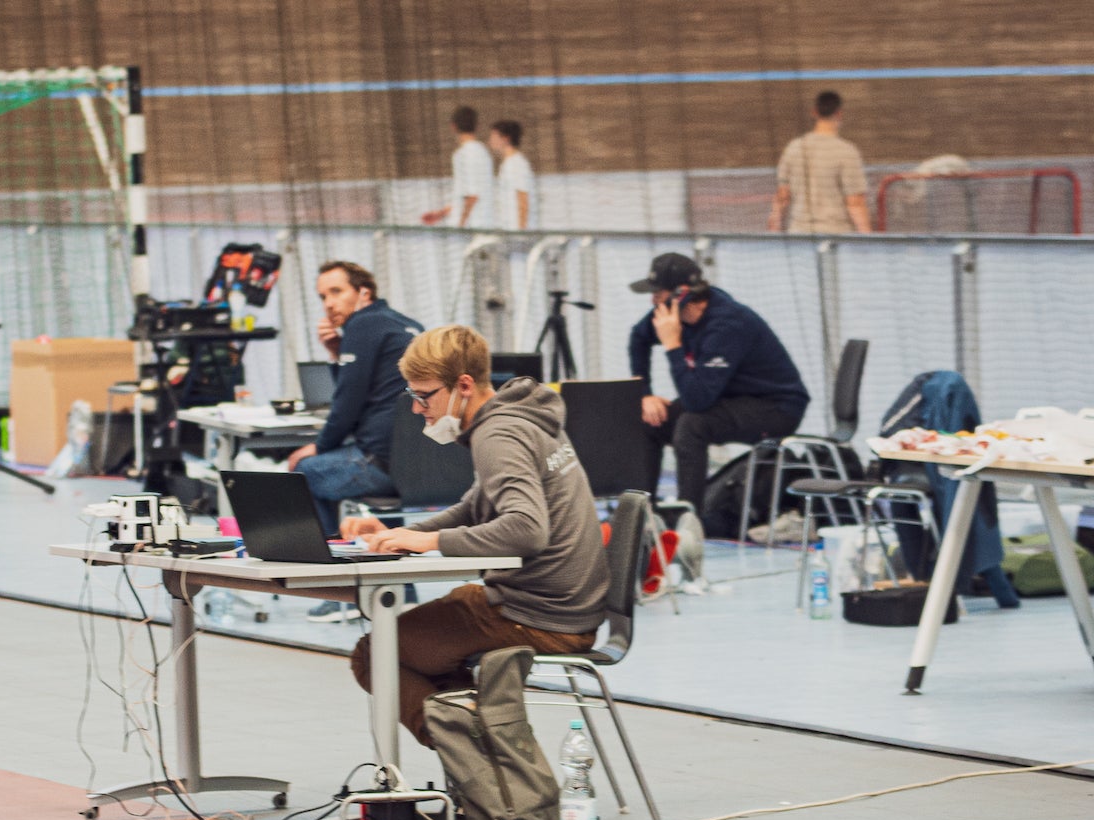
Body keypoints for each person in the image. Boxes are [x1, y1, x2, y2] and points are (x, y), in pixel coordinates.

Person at [337, 325, 607, 738]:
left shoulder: (497, 434)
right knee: (433, 643)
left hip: (539, 616)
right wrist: (401, 533)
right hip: (561, 604)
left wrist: (430, 542)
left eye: (423, 395)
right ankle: (485, 758)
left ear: (463, 385)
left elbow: (526, 529)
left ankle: (480, 760)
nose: (416, 409)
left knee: (374, 655)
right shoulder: (521, 415)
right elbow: (475, 507)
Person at [283, 260, 423, 621]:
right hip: (419, 469)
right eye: (322, 296)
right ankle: (401, 590)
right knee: (359, 489)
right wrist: (336, 353)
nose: (329, 303)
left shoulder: (364, 324)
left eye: (336, 292)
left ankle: (340, 591)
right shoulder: (405, 324)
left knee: (303, 472)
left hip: (379, 464)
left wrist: (318, 446)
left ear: (364, 293)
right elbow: (365, 385)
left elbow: (347, 402)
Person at [627, 253, 809, 514]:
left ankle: (688, 520)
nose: (652, 300)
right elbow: (638, 338)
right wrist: (645, 394)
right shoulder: (673, 315)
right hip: (729, 398)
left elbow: (696, 400)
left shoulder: (727, 324)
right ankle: (641, 513)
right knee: (651, 419)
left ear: (682, 293)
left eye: (659, 293)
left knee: (692, 425)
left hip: (777, 408)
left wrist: (673, 345)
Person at [768, 91, 870, 234]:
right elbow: (855, 202)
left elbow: (782, 196)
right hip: (837, 236)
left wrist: (774, 229)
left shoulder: (793, 148)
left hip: (799, 234)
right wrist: (867, 239)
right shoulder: (847, 152)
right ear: (839, 114)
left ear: (814, 112)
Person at [420, 107, 495, 229]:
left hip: (473, 229)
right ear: (477, 126)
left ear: (453, 127)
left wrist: (461, 224)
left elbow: (472, 196)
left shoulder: (463, 154)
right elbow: (467, 196)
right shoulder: (484, 152)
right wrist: (441, 214)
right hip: (485, 225)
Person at [489, 120, 535, 231]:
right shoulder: (506, 164)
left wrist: (521, 232)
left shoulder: (517, 163)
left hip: (518, 233)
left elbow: (523, 198)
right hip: (508, 230)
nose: (490, 141)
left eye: (494, 137)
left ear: (505, 139)